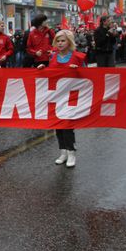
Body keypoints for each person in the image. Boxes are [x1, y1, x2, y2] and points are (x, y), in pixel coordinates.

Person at [37, 30, 86, 168]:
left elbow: (89, 76)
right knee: (58, 125)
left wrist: (78, 70)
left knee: (67, 125)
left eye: (63, 41)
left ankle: (71, 152)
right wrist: (43, 69)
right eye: (58, 41)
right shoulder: (53, 56)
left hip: (71, 96)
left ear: (69, 41)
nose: (60, 43)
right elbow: (51, 73)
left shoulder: (78, 56)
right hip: (56, 96)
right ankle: (63, 151)